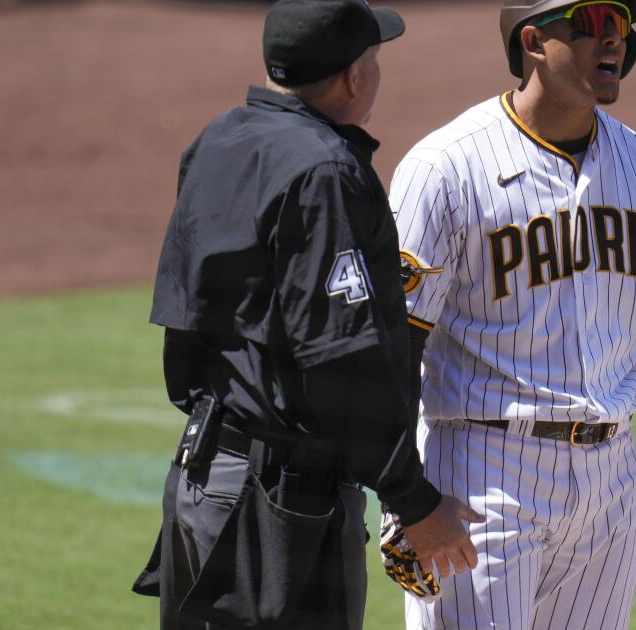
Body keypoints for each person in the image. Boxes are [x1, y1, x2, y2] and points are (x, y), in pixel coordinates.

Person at [381, 1, 636, 627]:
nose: (611, 40)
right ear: (533, 41)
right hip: (483, 476)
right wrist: (408, 501)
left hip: (611, 479)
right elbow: (393, 347)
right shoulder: (445, 168)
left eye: (619, 26)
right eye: (590, 25)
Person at [131, 1, 481, 628]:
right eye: (374, 61)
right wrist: (413, 499)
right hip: (280, 513)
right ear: (352, 77)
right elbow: (342, 357)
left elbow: (188, 314)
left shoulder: (216, 140)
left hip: (202, 479)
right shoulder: (326, 171)